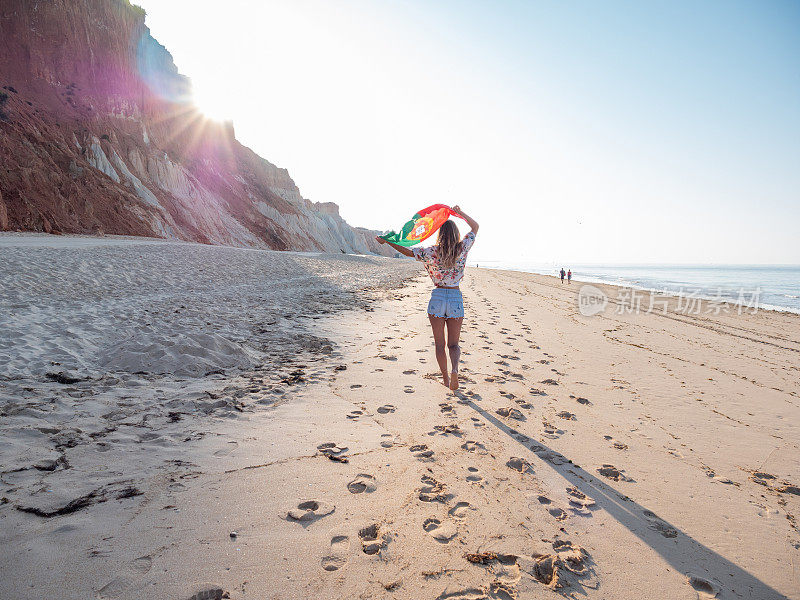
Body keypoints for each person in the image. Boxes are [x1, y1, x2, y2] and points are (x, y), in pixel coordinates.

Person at [377, 205, 478, 391]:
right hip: (455, 297)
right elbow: (475, 227)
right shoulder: (462, 248)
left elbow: (408, 252)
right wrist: (461, 213)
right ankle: (455, 369)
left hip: (438, 297)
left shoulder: (431, 252)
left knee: (440, 345)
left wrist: (387, 241)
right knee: (454, 344)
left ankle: (446, 379)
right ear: (455, 234)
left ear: (440, 234)